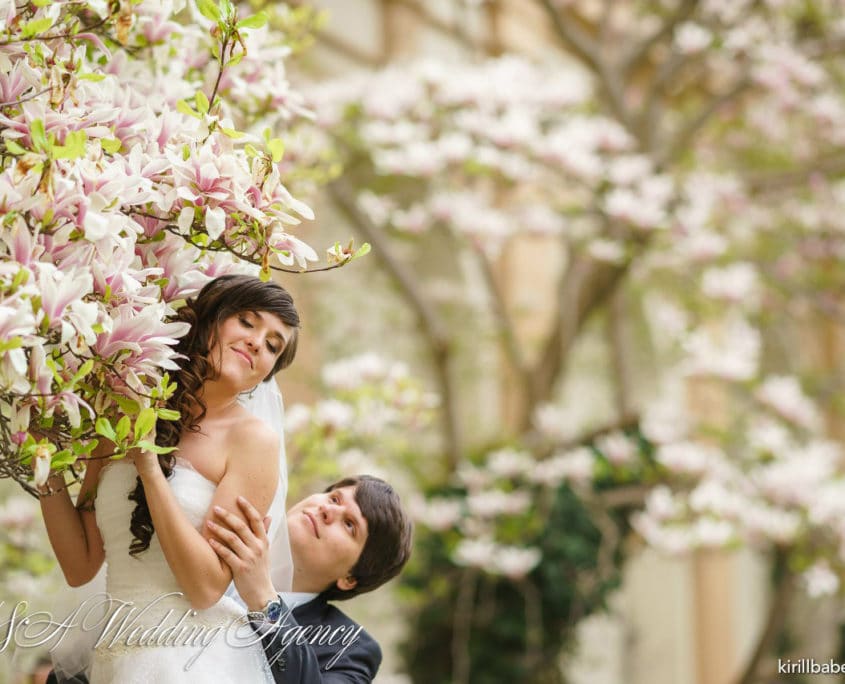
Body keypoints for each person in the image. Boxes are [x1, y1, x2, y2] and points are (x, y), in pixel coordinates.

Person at [39, 274, 300, 683]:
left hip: (194, 659)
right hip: (116, 657)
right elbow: (81, 564)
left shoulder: (252, 441)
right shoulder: (122, 404)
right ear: (208, 320)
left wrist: (147, 463)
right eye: (247, 322)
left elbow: (205, 588)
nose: (256, 342)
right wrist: (40, 456)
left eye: (272, 345)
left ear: (265, 376)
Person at [207, 475, 413, 683]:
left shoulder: (350, 649)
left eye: (349, 525)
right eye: (334, 499)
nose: (327, 510)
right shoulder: (220, 528)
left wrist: (264, 600)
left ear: (350, 578)